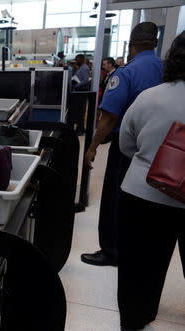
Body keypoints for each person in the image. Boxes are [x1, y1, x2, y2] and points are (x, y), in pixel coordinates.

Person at [117, 31, 185, 331]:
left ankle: (135, 319)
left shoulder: (150, 96)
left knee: (138, 265)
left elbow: (125, 145)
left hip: (142, 194)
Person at [81, 22, 163, 266]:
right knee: (147, 200)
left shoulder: (125, 73)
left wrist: (92, 147)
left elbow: (108, 118)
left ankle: (110, 251)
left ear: (131, 45)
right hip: (160, 147)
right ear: (156, 43)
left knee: (114, 199)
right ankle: (135, 249)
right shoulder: (166, 70)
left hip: (126, 148)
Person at [69, 54, 90, 135]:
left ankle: (80, 129)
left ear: (81, 59)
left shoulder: (84, 68)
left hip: (81, 91)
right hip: (78, 90)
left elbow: (85, 80)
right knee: (78, 111)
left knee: (80, 111)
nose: (76, 61)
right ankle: (79, 128)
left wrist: (76, 85)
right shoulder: (80, 67)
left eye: (77, 59)